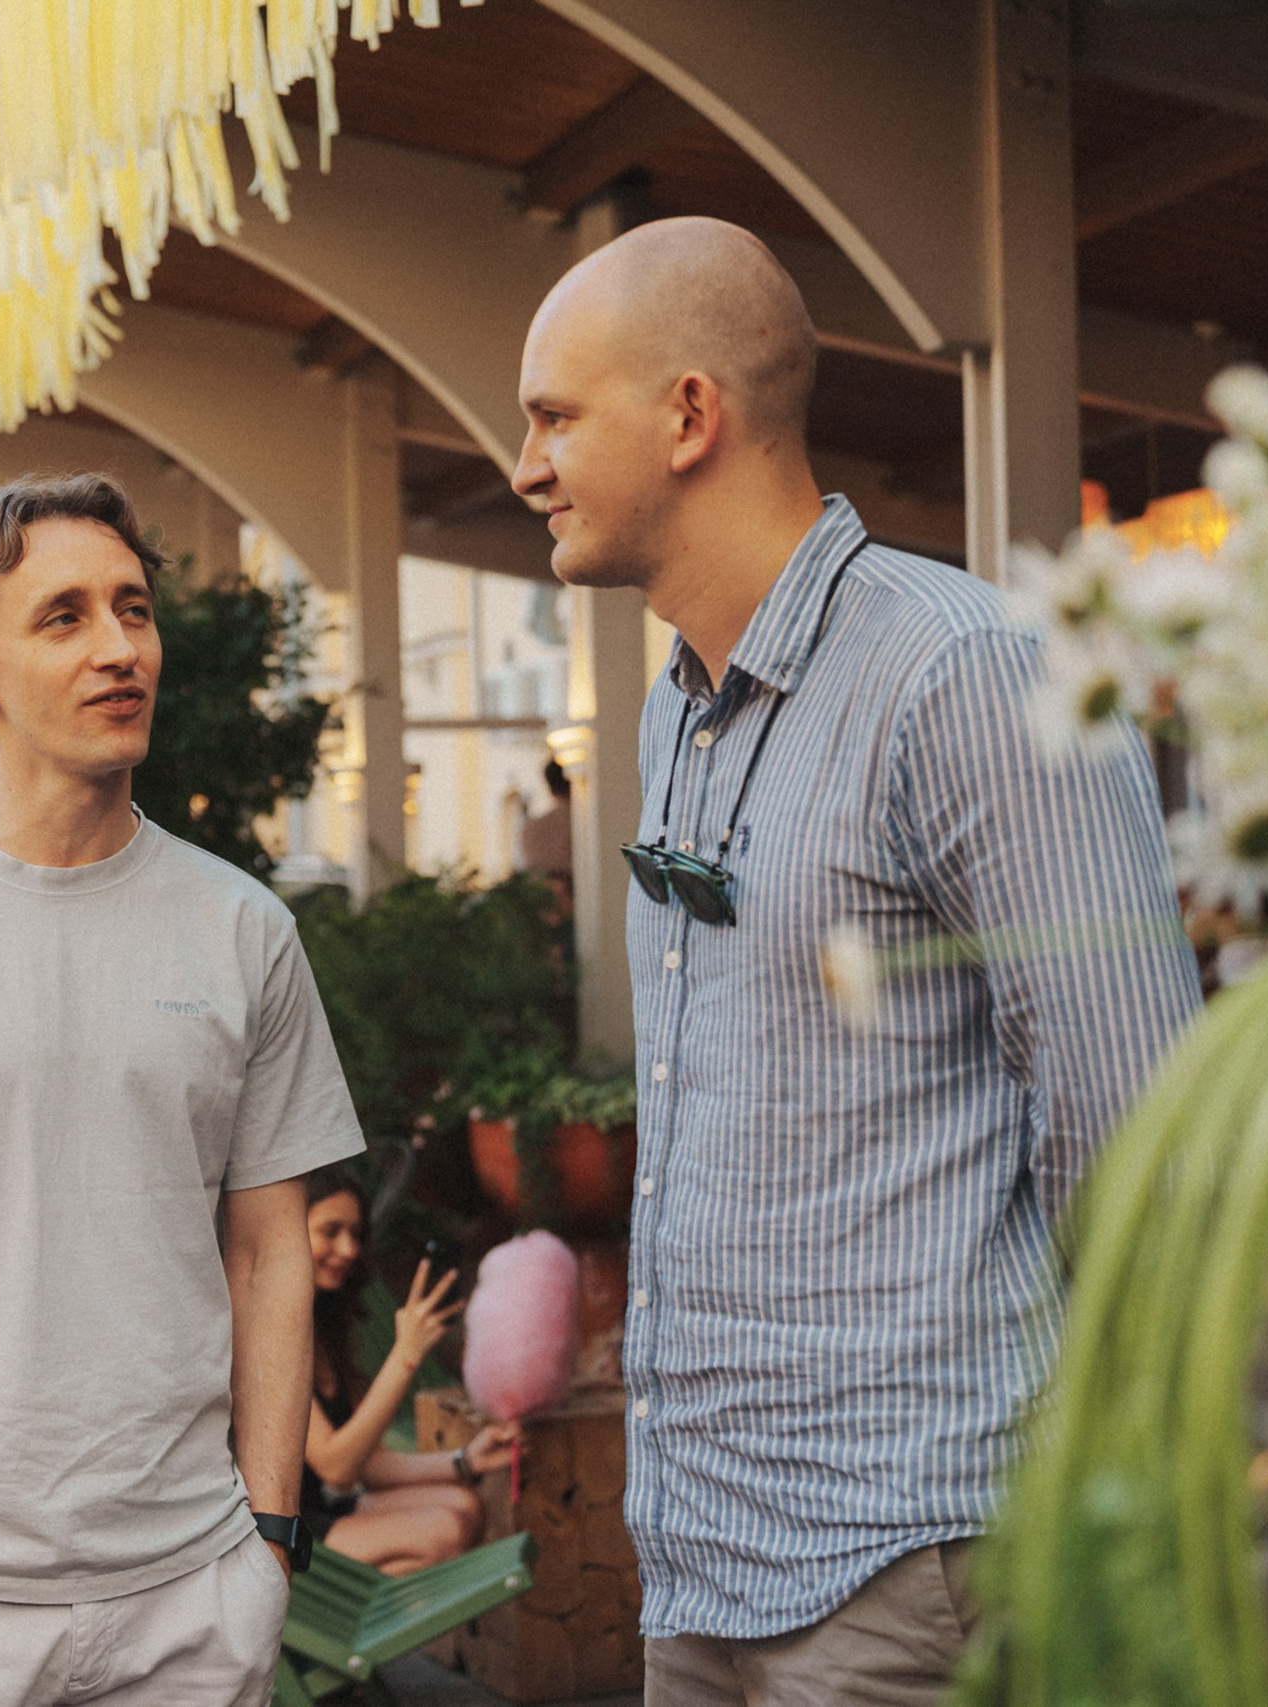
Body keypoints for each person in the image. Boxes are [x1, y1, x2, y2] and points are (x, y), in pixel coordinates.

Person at [511, 216, 1203, 1704]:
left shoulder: (970, 671)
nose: (525, 466)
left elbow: (1140, 1133)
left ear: (690, 414)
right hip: (700, 1548)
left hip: (922, 1553)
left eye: (555, 415)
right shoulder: (671, 711)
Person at [0, 473, 364, 1707]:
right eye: (64, 617)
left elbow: (271, 1252)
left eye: (132, 610)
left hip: (192, 1597)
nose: (117, 648)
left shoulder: (243, 928)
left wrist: (266, 1540)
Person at [297, 1167, 520, 1575]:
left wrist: (466, 1461)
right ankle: (365, 1633)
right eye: (330, 1231)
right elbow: (337, 1467)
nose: (348, 1249)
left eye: (356, 1234)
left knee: (464, 1505)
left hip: (325, 1509)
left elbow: (371, 1464)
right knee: (443, 1531)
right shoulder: (267, 1336)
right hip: (285, 1535)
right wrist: (406, 1354)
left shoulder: (323, 1328)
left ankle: (388, 1626)